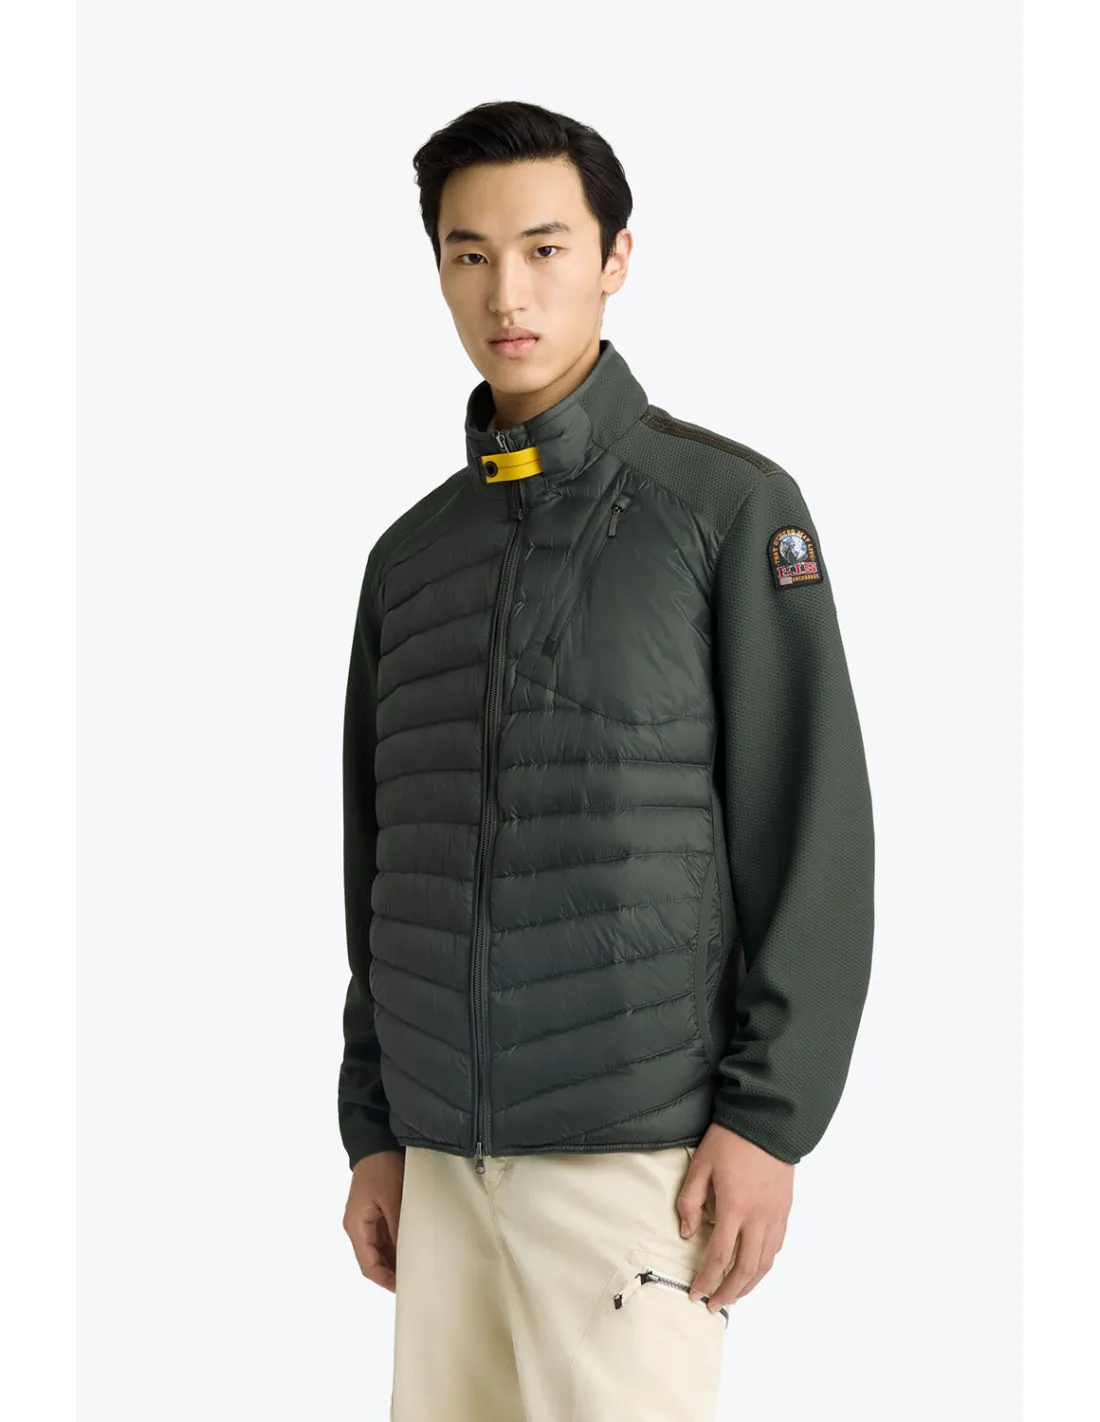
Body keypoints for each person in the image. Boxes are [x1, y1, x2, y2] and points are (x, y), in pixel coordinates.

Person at [338, 99, 875, 1422]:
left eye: (544, 249)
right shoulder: (409, 560)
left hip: (640, 1165)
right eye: (469, 255)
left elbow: (812, 830)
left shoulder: (727, 510)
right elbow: (380, 865)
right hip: (442, 1165)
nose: (506, 294)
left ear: (615, 257)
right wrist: (376, 1125)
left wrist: (769, 1120)